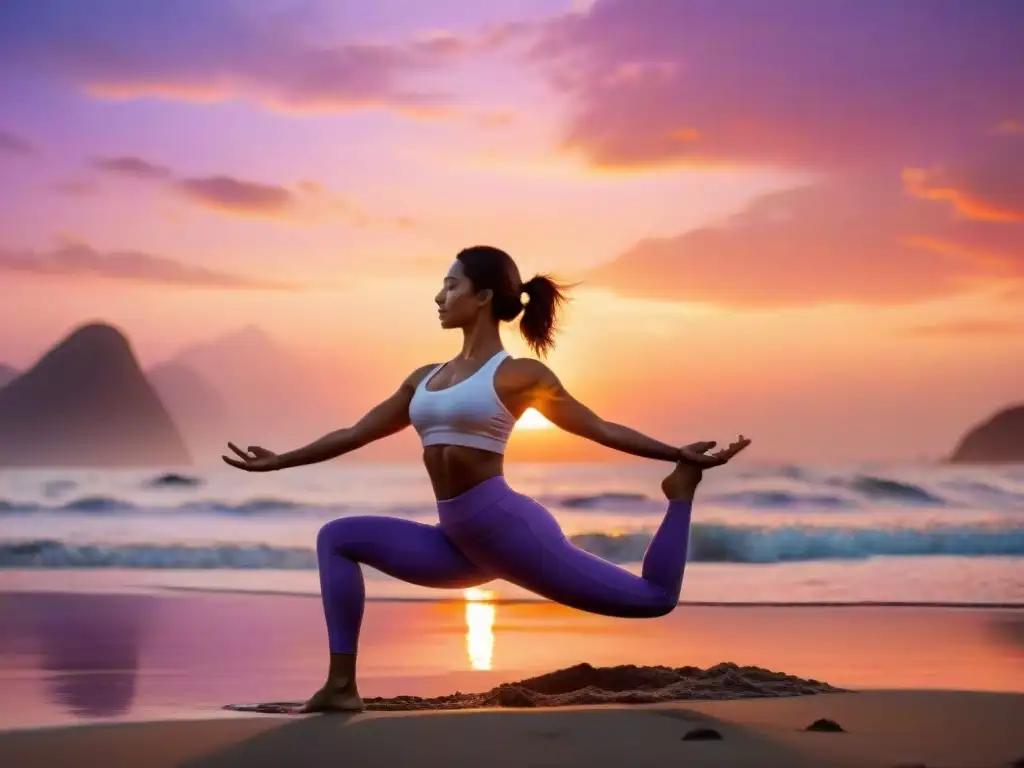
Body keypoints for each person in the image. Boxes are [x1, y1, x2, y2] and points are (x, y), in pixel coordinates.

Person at [223, 245, 750, 712]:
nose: (438, 296)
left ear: (482, 297)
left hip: (510, 533)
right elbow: (358, 431)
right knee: (337, 538)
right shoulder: (422, 378)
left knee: (654, 599)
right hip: (459, 542)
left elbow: (597, 427)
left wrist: (673, 455)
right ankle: (341, 687)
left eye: (451, 285)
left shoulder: (520, 375)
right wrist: (280, 460)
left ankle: (679, 496)